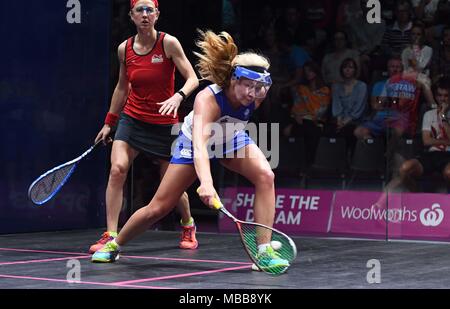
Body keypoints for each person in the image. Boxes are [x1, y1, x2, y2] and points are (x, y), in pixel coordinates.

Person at [91, 30, 290, 271]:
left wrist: (255, 92)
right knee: (159, 208)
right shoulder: (207, 100)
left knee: (266, 176)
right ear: (233, 79)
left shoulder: (257, 95)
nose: (252, 93)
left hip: (231, 139)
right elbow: (199, 146)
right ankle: (115, 244)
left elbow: (239, 116)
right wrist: (206, 183)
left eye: (259, 87)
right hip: (194, 143)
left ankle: (263, 252)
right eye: (248, 86)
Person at [89, 0, 199, 253]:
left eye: (150, 10)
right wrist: (109, 122)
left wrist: (179, 96)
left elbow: (193, 78)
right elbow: (122, 88)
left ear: (157, 15)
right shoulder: (124, 49)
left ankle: (187, 223)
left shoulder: (168, 43)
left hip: (164, 124)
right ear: (132, 15)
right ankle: (111, 234)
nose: (145, 14)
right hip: (132, 119)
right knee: (117, 169)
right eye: (140, 10)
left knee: (170, 184)